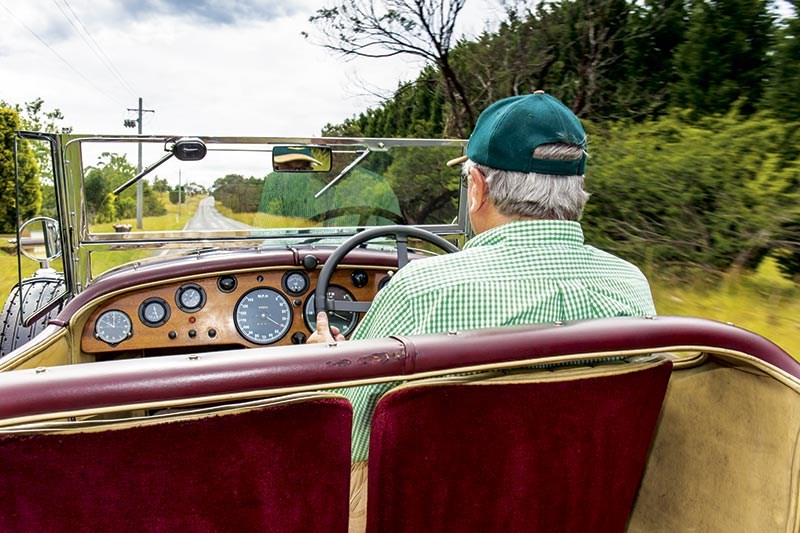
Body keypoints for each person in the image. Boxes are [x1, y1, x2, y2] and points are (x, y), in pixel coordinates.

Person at [309, 91, 656, 528]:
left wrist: (326, 364)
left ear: (477, 188)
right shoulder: (630, 284)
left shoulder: (422, 289)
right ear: (576, 188)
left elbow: (347, 444)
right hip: (575, 514)